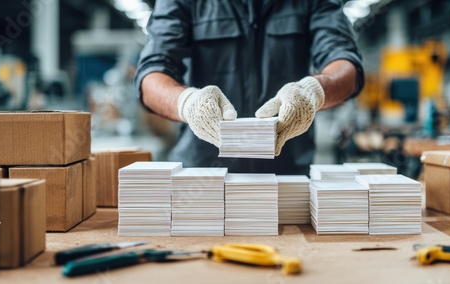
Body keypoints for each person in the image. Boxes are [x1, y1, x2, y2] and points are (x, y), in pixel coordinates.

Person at [135, 0, 364, 175]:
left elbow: (346, 64)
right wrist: (187, 103)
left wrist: (314, 91)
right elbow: (151, 75)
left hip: (287, 175)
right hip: (204, 177)